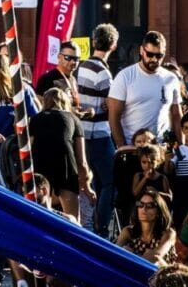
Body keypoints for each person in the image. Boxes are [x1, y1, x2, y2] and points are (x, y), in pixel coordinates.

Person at [77, 22, 119, 237]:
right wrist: (105, 105)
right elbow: (109, 107)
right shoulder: (104, 73)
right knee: (110, 183)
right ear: (113, 45)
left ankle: (89, 224)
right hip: (99, 134)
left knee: (89, 183)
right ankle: (101, 228)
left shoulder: (80, 66)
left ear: (94, 42)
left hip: (83, 134)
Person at [109, 31, 184, 148]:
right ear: (141, 51)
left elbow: (176, 115)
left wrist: (181, 144)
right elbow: (114, 115)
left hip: (161, 148)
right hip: (133, 147)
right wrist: (122, 146)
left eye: (159, 56)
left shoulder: (171, 78)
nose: (154, 59)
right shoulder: (125, 76)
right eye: (150, 54)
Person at [29, 86, 93, 220]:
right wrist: (87, 187)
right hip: (65, 168)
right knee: (73, 221)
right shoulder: (73, 119)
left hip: (40, 169)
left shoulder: (35, 119)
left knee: (39, 218)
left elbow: (29, 148)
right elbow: (82, 161)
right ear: (65, 102)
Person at [0, 51, 38, 185]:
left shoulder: (21, 89)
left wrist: (29, 141)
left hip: (17, 148)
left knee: (17, 187)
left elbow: (35, 117)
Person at [116, 190, 176, 266]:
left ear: (158, 211)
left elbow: (155, 257)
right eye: (140, 204)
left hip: (161, 276)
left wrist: (130, 255)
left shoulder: (168, 233)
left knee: (158, 262)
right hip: (131, 274)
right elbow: (114, 252)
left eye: (150, 206)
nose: (143, 209)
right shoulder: (128, 231)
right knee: (124, 250)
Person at [36, 41, 86, 115]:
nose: (73, 62)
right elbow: (39, 107)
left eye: (76, 59)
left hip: (71, 124)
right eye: (68, 58)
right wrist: (70, 111)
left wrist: (85, 111)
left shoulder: (73, 79)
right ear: (59, 57)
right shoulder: (47, 79)